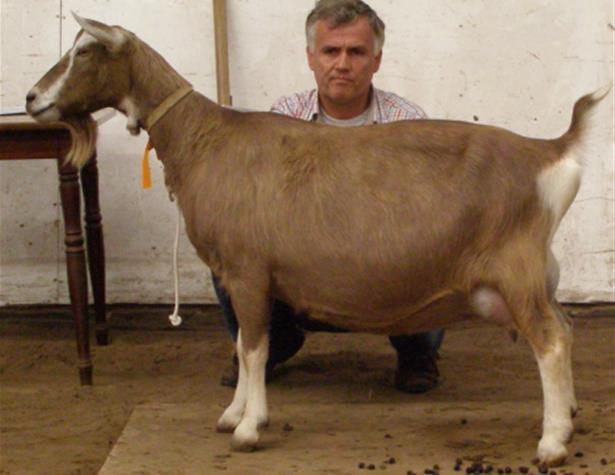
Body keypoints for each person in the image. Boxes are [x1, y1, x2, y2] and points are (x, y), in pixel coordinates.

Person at [213, 0, 444, 393]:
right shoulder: (282, 118)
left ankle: (416, 351)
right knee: (228, 246)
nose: (342, 63)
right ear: (310, 57)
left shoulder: (410, 123)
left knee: (434, 249)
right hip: (305, 267)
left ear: (376, 59)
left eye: (356, 52)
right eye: (330, 51)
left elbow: (428, 211)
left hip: (382, 264)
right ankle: (273, 341)